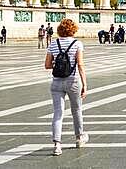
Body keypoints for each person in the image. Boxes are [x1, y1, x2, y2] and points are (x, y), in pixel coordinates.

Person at [44, 19, 88, 156]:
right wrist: (85, 84)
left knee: (58, 113)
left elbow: (47, 65)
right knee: (76, 110)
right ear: (73, 30)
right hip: (73, 80)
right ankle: (79, 137)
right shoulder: (77, 44)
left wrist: (59, 65)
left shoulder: (53, 43)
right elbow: (80, 64)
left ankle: (57, 145)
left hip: (56, 82)